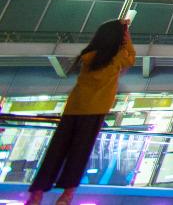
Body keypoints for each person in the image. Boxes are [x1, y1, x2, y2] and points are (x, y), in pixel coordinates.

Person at [26, 18, 135, 205]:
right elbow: (131, 56)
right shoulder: (118, 58)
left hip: (73, 109)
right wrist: (126, 35)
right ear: (119, 38)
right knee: (79, 153)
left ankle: (36, 194)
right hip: (95, 111)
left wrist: (118, 30)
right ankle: (66, 195)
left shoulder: (89, 56)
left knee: (55, 151)